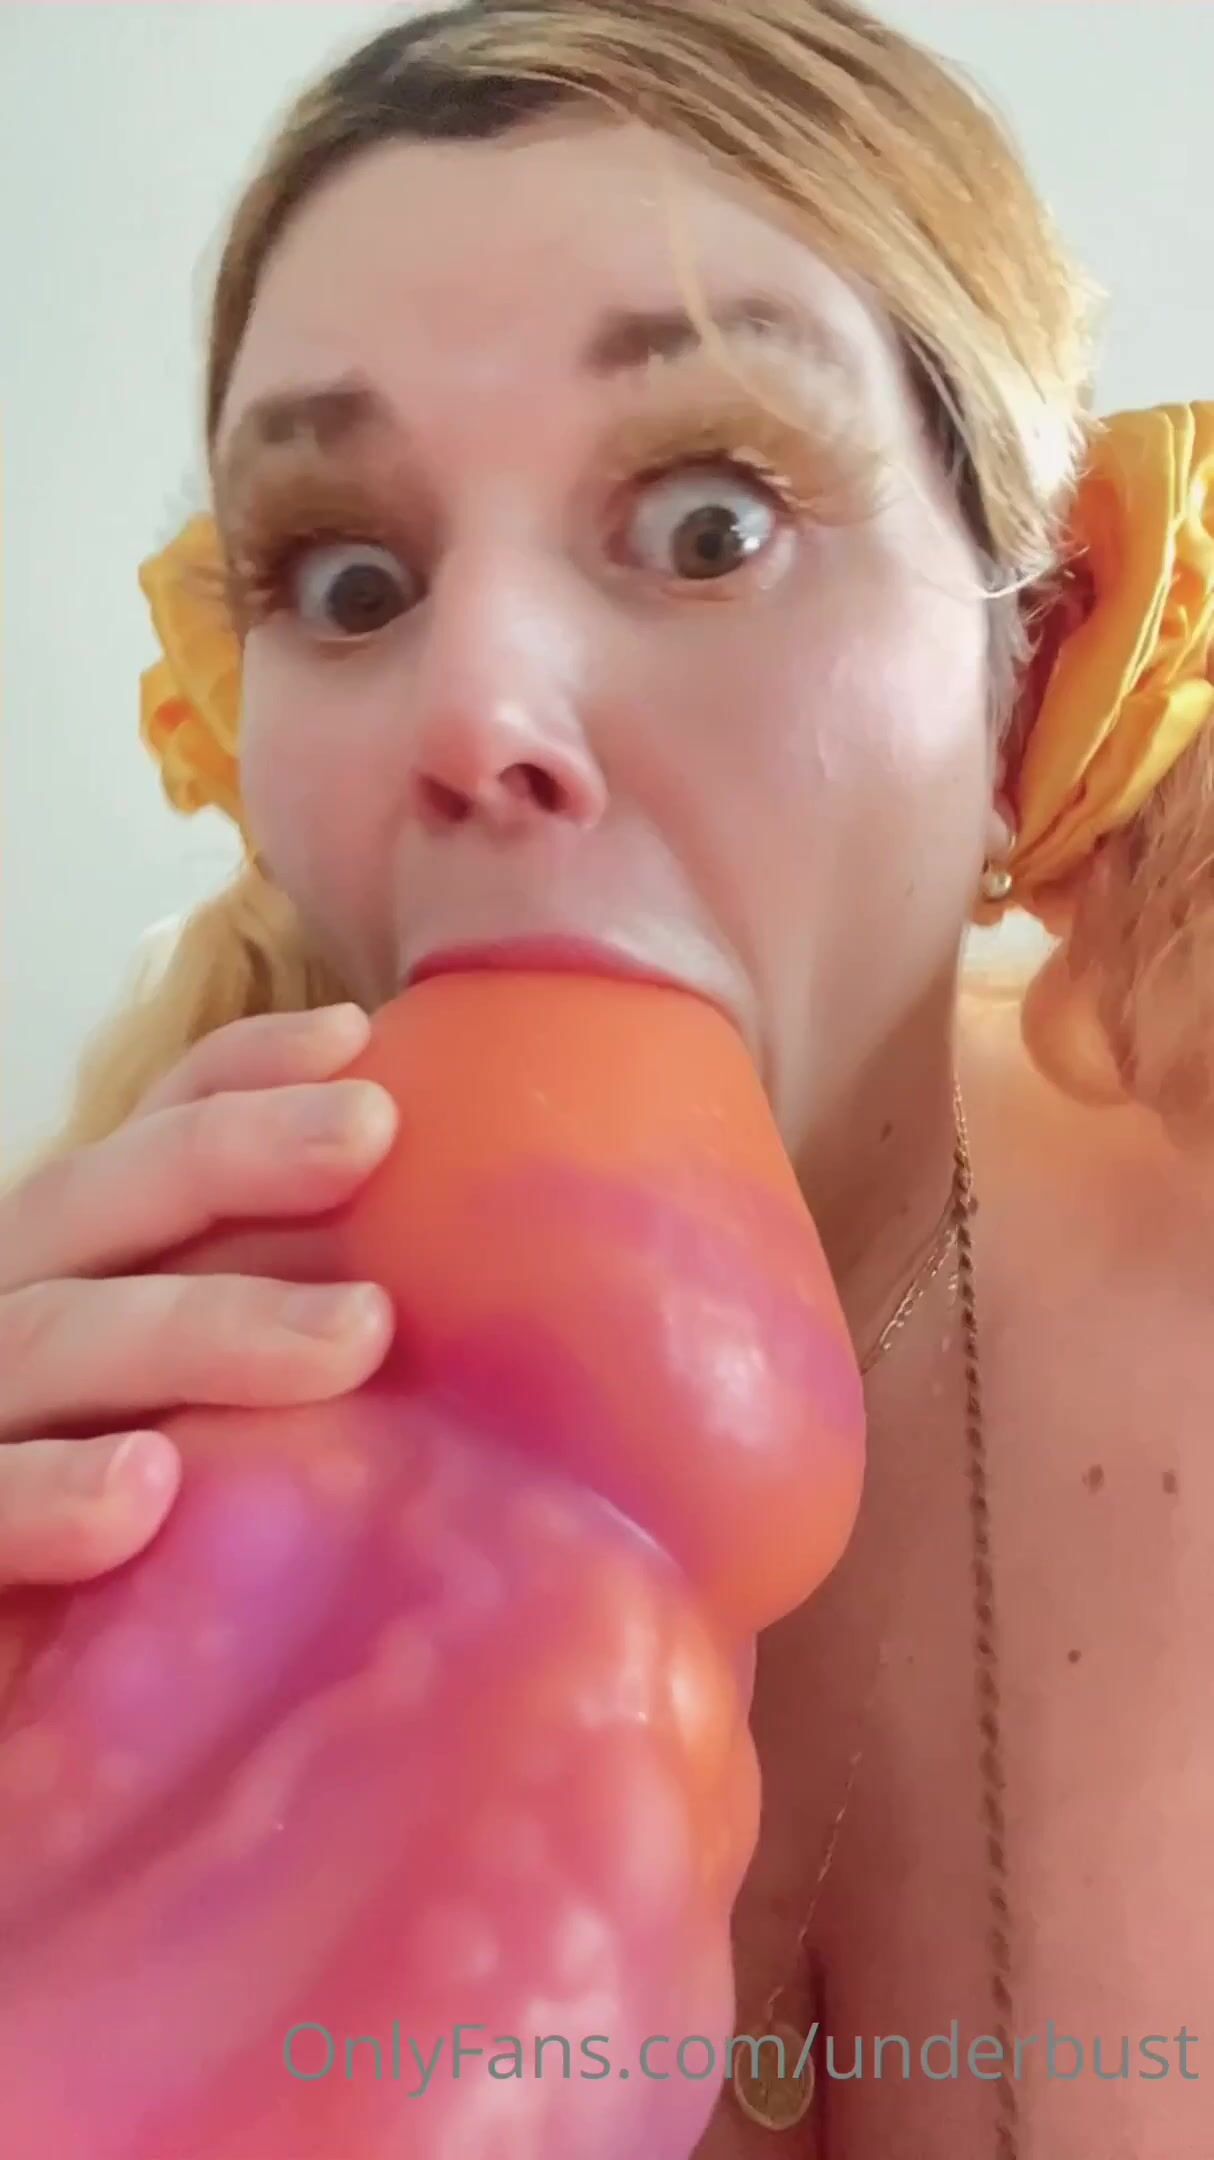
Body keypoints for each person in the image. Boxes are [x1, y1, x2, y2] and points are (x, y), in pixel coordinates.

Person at [1, 2, 1210, 2153]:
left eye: (712, 524)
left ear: (1033, 647)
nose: (472, 714)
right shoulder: (90, 1435)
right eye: (349, 581)